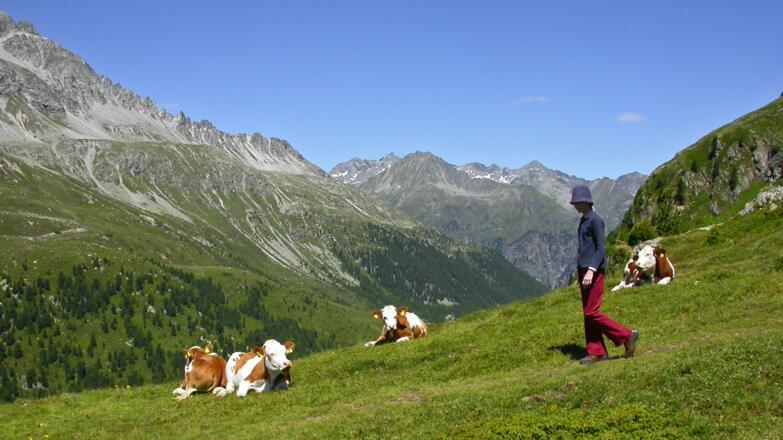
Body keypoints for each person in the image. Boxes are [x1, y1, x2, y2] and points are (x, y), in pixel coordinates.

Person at [570, 185, 639, 365]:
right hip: (584, 270)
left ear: (586, 202)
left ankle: (627, 335)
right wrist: (583, 271)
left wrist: (591, 270)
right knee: (588, 313)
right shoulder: (584, 220)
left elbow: (601, 249)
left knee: (592, 312)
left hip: (593, 271)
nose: (575, 205)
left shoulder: (595, 220)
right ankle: (596, 352)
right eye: (575, 202)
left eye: (577, 202)